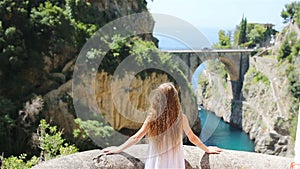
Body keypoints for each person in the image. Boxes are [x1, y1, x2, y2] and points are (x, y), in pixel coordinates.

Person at [102, 82, 222, 168]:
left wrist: (118, 149)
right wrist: (207, 149)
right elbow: (192, 138)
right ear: (175, 99)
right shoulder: (181, 118)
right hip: (174, 163)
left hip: (156, 163)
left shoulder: (152, 118)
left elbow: (136, 137)